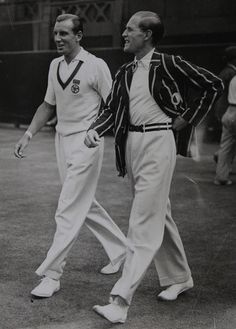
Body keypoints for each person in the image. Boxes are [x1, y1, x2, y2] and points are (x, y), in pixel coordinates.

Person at [85, 11, 224, 324]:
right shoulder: (124, 71)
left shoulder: (170, 63)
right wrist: (95, 128)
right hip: (133, 146)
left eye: (130, 29)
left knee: (143, 221)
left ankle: (120, 301)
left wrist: (187, 117)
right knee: (159, 213)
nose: (124, 34)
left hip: (160, 142)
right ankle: (179, 277)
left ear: (147, 34)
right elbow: (110, 109)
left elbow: (212, 85)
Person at [14, 14, 128, 298]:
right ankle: (122, 250)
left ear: (79, 36)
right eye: (55, 33)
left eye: (64, 33)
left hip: (87, 142)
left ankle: (52, 275)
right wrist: (28, 134)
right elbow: (47, 104)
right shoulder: (54, 65)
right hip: (61, 140)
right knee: (83, 204)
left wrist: (98, 132)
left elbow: (113, 104)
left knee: (67, 207)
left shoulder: (96, 65)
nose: (58, 39)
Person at [213, 46, 236, 185]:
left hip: (229, 111)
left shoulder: (230, 75)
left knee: (227, 144)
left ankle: (221, 175)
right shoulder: (230, 73)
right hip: (228, 109)